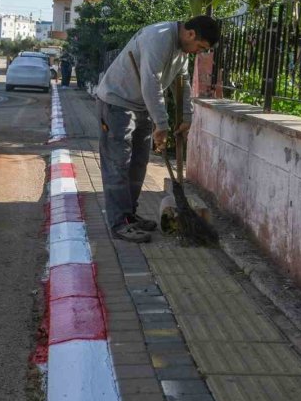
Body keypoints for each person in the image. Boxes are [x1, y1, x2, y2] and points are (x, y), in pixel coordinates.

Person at [94, 15, 220, 243]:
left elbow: (181, 80)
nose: (197, 52)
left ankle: (128, 216)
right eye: (199, 47)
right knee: (118, 165)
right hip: (116, 103)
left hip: (141, 106)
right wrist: (162, 124)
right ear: (190, 34)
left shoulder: (182, 51)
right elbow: (150, 81)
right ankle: (118, 223)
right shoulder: (159, 37)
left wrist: (186, 116)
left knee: (138, 165)